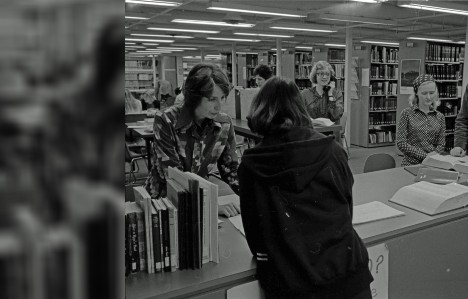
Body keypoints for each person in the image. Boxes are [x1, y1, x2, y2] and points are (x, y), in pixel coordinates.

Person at [238, 77, 373, 299]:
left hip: (293, 282)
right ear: (300, 108)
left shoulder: (251, 164)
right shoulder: (333, 151)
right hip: (349, 274)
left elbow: (256, 241)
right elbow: (346, 209)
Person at [145, 63, 240, 217]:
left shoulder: (224, 124)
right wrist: (210, 206)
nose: (219, 105)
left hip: (201, 202)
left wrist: (255, 200)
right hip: (164, 205)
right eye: (211, 99)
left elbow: (231, 170)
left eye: (222, 97)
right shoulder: (166, 120)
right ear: (194, 97)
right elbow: (172, 175)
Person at [396, 74, 446, 166]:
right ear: (416, 93)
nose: (428, 97)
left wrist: (433, 155)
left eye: (431, 93)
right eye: (424, 93)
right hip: (411, 164)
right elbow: (401, 143)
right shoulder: (406, 113)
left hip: (432, 163)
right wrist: (425, 156)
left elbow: (441, 144)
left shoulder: (440, 117)